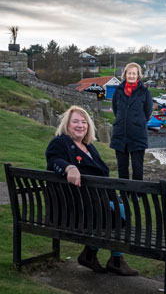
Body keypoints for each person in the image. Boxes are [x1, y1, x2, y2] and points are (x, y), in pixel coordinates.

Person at [45, 105, 139, 276]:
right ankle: (114, 259)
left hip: (92, 202)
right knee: (120, 213)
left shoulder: (88, 147)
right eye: (75, 122)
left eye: (84, 122)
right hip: (75, 207)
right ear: (67, 124)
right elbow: (53, 160)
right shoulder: (60, 142)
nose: (80, 125)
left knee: (118, 209)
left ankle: (92, 254)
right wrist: (69, 167)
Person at [110, 62, 153, 180]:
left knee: (137, 167)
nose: (131, 76)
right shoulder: (118, 91)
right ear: (125, 74)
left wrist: (136, 122)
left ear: (138, 75)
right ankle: (124, 195)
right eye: (129, 73)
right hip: (120, 134)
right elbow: (115, 109)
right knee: (122, 167)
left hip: (138, 134)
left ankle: (137, 195)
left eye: (134, 73)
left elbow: (147, 112)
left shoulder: (145, 92)